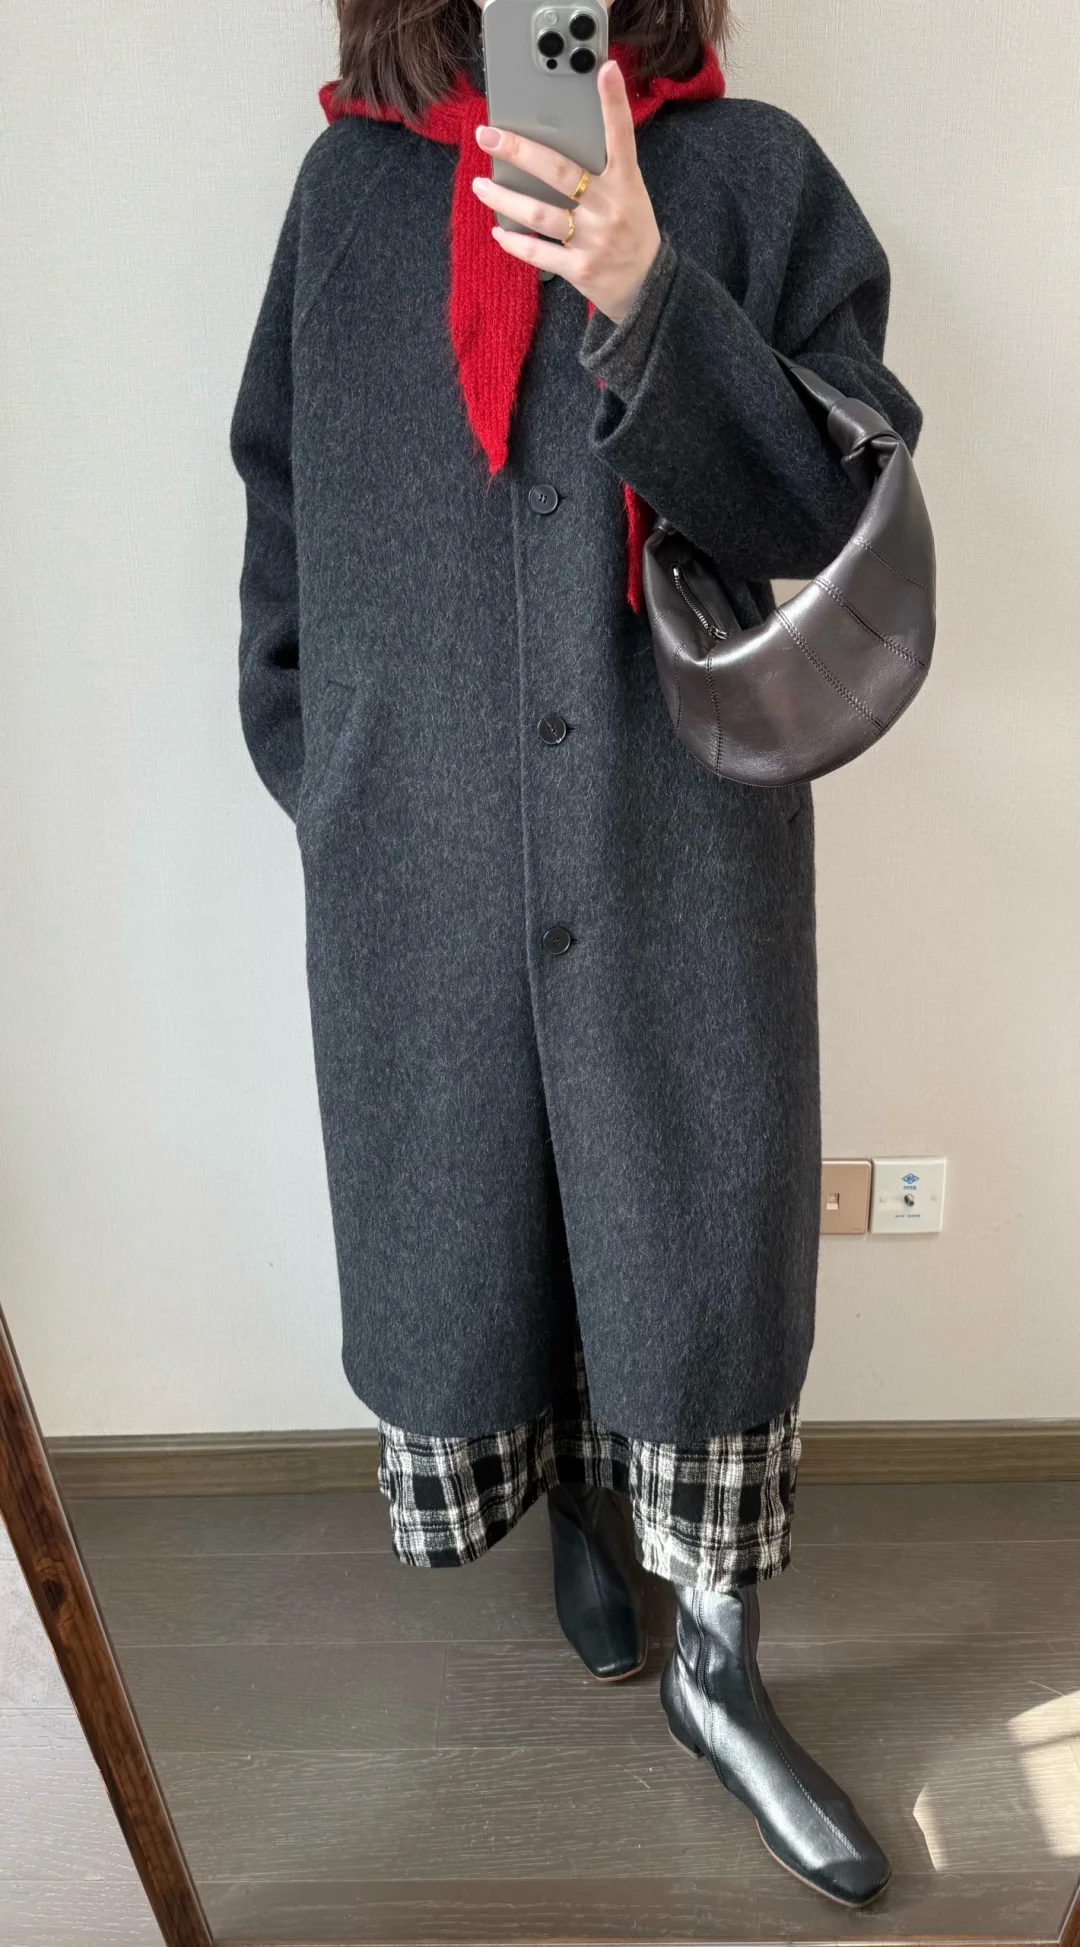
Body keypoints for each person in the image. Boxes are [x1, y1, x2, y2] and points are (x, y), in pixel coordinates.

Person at [230, 0, 922, 1908]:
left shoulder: (748, 176)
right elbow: (280, 494)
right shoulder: (352, 198)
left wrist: (646, 290)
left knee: (692, 1216)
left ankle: (722, 1664)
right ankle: (571, 1519)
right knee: (488, 1199)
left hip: (673, 829)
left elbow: (829, 505)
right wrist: (319, 755)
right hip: (421, 841)